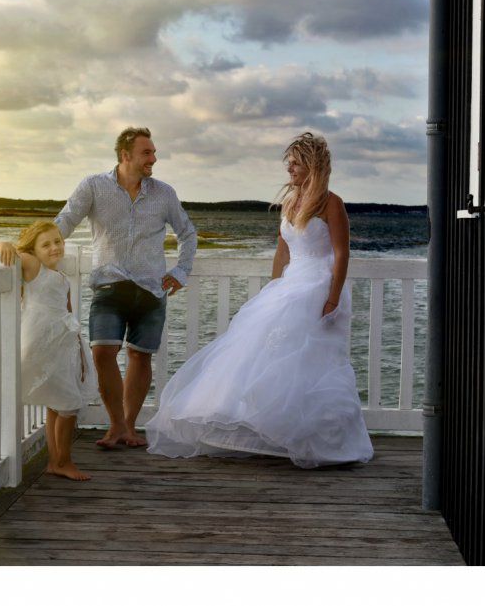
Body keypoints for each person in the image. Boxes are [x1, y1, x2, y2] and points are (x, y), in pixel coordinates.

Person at [145, 132, 374, 469]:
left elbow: (341, 254)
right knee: (268, 356)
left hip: (319, 286)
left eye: (296, 164)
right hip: (291, 284)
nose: (290, 170)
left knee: (316, 361)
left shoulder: (331, 203)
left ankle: (324, 441)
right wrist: (273, 288)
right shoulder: (291, 200)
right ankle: (272, 430)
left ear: (313, 166)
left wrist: (333, 298)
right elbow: (284, 249)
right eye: (290, 164)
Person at [0, 127, 198, 449]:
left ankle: (129, 428)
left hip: (151, 289)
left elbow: (187, 233)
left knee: (141, 356)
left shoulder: (164, 193)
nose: (154, 159)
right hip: (108, 287)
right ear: (125, 155)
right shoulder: (93, 186)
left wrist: (181, 270)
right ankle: (116, 425)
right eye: (148, 153)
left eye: (154, 153)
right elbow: (63, 222)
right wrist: (26, 250)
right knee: (102, 352)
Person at [0, 221, 98, 481]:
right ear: (33, 250)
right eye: (46, 244)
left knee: (57, 404)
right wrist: (3, 244)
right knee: (69, 404)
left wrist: (80, 351)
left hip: (61, 347)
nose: (54, 248)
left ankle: (55, 461)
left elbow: (68, 314)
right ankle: (64, 461)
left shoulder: (61, 278)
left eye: (58, 241)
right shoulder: (33, 266)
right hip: (39, 345)